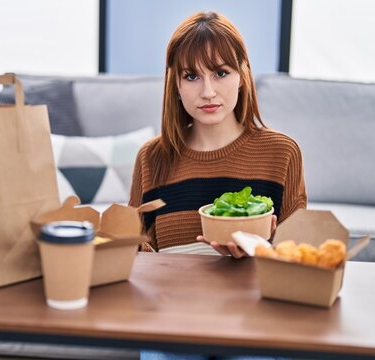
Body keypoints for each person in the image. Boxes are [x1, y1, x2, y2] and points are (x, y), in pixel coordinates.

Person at [128, 11, 306, 360]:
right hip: (172, 318)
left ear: (243, 76)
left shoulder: (282, 152)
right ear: (175, 85)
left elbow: (300, 259)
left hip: (256, 317)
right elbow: (135, 251)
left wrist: (262, 251)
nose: (207, 91)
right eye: (191, 76)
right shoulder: (152, 158)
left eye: (221, 73)